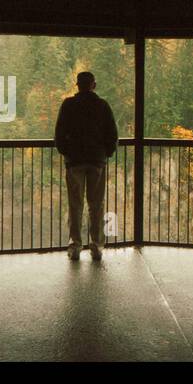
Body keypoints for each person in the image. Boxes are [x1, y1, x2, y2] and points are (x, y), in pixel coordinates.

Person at [54, 71, 118, 261]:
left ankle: (75, 246)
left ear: (77, 85)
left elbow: (59, 133)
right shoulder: (102, 106)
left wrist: (66, 152)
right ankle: (97, 245)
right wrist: (106, 153)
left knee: (76, 204)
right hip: (96, 160)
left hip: (74, 161)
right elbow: (112, 133)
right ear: (93, 85)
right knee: (96, 204)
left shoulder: (68, 105)